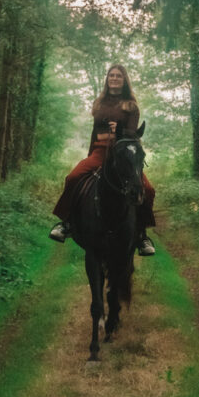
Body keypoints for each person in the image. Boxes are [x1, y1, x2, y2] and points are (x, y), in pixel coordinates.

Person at [49, 64, 156, 256]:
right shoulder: (99, 103)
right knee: (72, 178)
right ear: (107, 79)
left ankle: (142, 235)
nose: (114, 78)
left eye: (118, 76)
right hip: (99, 151)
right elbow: (95, 132)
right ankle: (67, 223)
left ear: (124, 80)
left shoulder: (131, 106)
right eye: (111, 75)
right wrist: (91, 153)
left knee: (148, 189)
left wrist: (119, 129)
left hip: (121, 154)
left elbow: (132, 133)